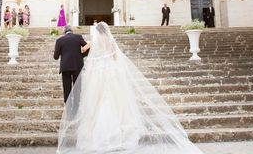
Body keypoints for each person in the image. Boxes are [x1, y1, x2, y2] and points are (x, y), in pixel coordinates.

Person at [57, 22, 204, 153]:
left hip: (99, 72)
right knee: (116, 100)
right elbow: (115, 56)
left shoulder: (95, 40)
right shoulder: (110, 40)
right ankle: (120, 133)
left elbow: (85, 52)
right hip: (112, 71)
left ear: (98, 31)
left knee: (98, 99)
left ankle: (99, 134)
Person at [53, 25, 87, 103]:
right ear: (72, 31)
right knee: (77, 89)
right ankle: (76, 109)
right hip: (77, 66)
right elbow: (87, 48)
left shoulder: (59, 40)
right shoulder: (78, 37)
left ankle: (68, 111)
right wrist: (81, 56)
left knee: (67, 89)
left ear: (64, 31)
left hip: (65, 67)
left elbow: (56, 57)